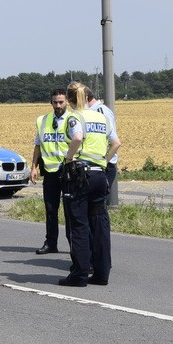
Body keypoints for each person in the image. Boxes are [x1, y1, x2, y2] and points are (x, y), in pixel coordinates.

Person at [57, 81, 116, 287]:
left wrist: (69, 157)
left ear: (70, 100)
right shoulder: (101, 116)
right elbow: (116, 142)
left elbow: (78, 137)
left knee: (79, 224)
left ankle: (79, 275)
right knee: (100, 224)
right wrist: (103, 161)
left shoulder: (75, 116)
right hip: (100, 174)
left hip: (81, 175)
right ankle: (101, 274)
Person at [29, 88, 69, 254]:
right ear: (51, 102)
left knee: (70, 211)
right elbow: (38, 145)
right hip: (51, 171)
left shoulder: (73, 119)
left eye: (61, 102)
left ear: (66, 101)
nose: (58, 105)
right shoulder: (43, 120)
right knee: (51, 209)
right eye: (55, 102)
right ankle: (51, 243)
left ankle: (75, 245)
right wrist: (33, 167)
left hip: (68, 171)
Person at [85, 88, 122, 203]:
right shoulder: (92, 112)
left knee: (99, 206)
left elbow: (114, 141)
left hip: (104, 165)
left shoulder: (100, 111)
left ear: (85, 98)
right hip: (96, 165)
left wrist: (104, 162)